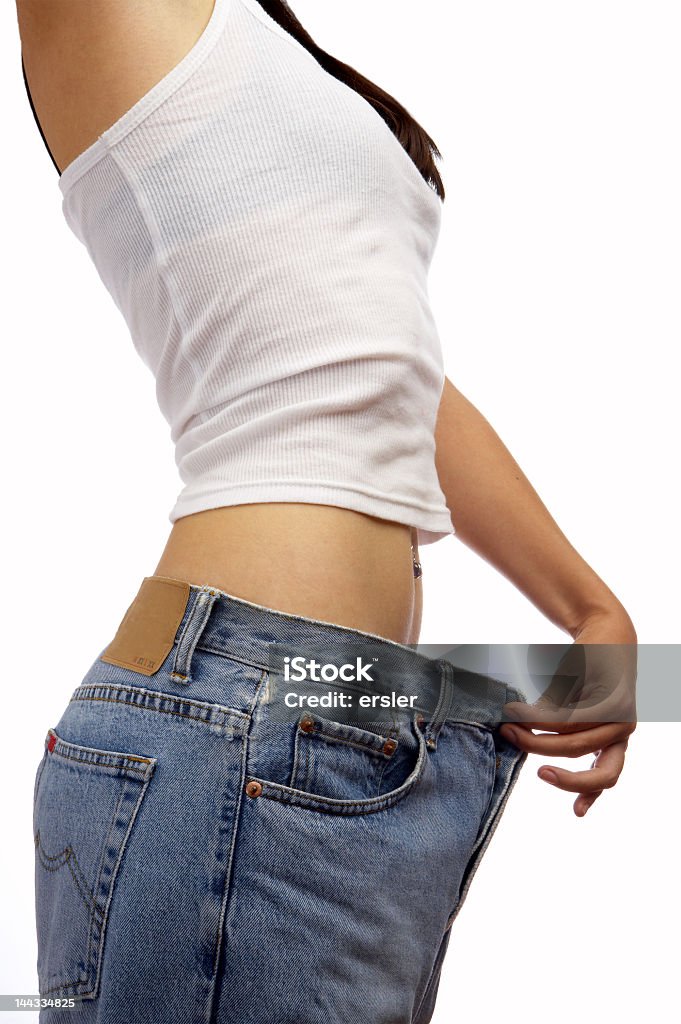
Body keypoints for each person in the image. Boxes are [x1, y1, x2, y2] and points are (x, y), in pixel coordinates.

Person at [18, 2, 637, 1022]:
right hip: (235, 717)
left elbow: (385, 363)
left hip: (344, 723)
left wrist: (592, 610)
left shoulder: (264, 42)